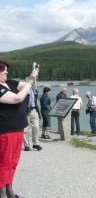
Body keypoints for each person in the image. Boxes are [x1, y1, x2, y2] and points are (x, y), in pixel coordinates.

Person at [0, 60, 38, 198]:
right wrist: (30, 82)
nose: (6, 71)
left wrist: (32, 77)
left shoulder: (10, 83)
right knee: (4, 163)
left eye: (6, 69)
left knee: (13, 162)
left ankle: (10, 190)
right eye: (3, 69)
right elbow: (17, 98)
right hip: (5, 131)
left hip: (18, 128)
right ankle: (2, 193)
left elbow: (27, 86)